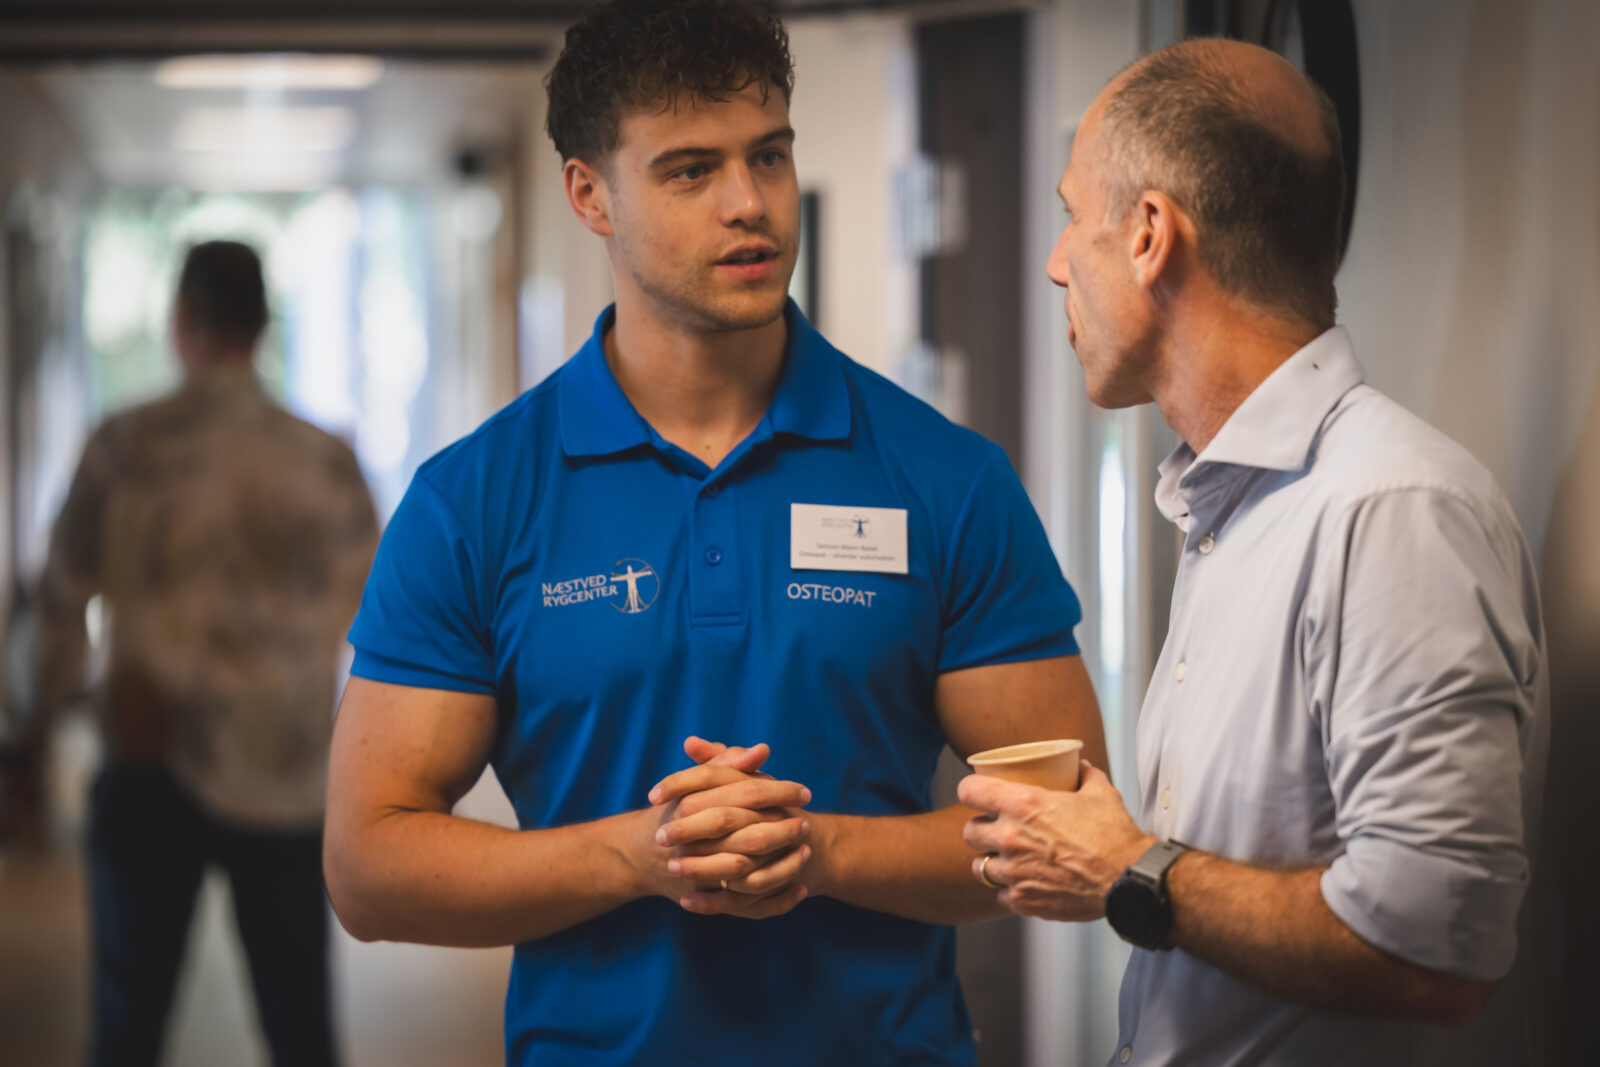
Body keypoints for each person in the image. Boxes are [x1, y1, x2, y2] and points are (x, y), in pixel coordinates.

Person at [321, 1, 1105, 1063]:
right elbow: (367, 867)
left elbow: (1064, 827)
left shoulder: (944, 478)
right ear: (589, 194)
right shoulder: (474, 500)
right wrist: (642, 856)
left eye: (768, 156)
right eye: (689, 170)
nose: (750, 205)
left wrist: (816, 851)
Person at [958, 37, 1547, 1066]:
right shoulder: (1231, 503)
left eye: (1070, 213)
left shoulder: (1391, 507)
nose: (1056, 260)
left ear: (1148, 235)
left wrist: (1131, 871)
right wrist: (1121, 867)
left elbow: (1434, 953)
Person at [35, 240, 378, 1067]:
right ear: (261, 326)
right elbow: (382, 619)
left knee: (129, 1021)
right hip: (285, 768)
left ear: (180, 323)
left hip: (149, 758)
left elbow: (60, 600)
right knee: (299, 1022)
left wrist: (47, 717)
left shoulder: (124, 446)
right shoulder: (324, 460)